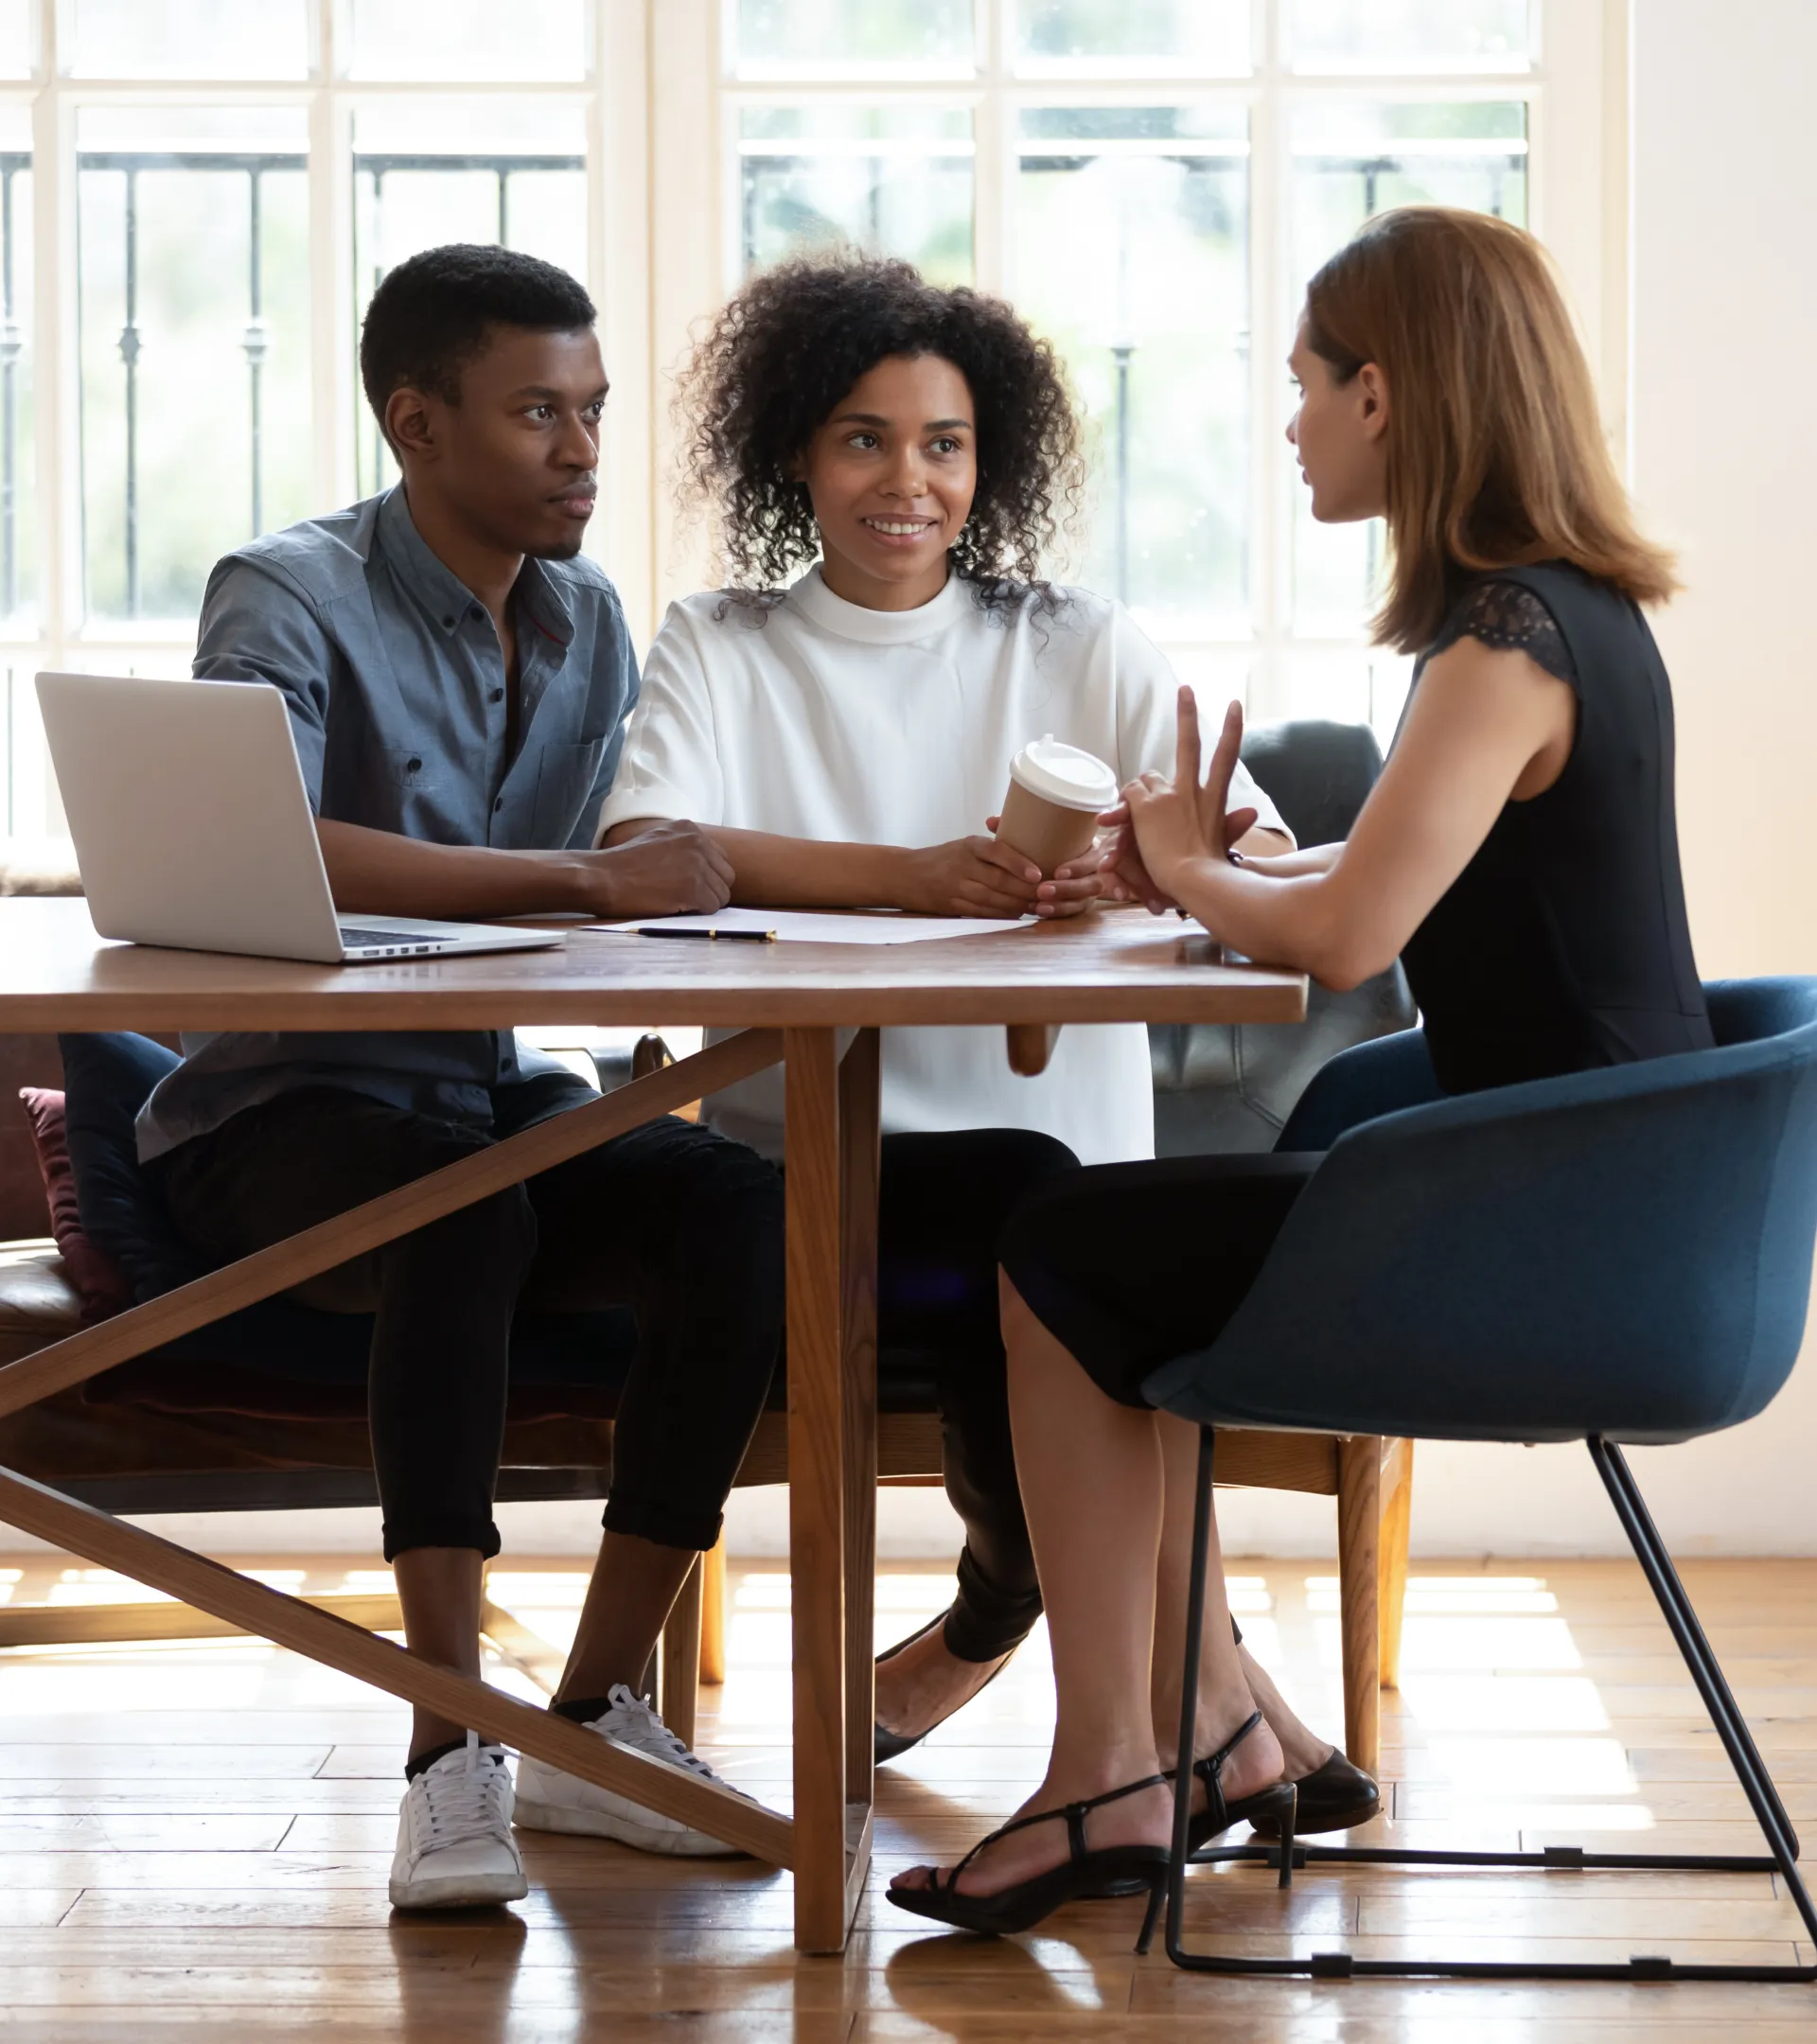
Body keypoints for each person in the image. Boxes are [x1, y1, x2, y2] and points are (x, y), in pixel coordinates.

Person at [888, 203, 1707, 1932]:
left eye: (1307, 386)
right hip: (1605, 1201)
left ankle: (1120, 1770)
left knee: (1055, 1253)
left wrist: (1194, 868)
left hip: (1560, 1231)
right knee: (1111, 1251)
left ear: (1385, 395)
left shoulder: (1504, 643)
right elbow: (1368, 877)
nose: (1291, 425)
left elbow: (1344, 940)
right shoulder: (1567, 617)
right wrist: (1189, 875)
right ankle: (1198, 1733)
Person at [596, 255, 1358, 1817]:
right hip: (814, 1173)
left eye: (944, 444)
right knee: (1046, 1259)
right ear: (795, 454)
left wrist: (1150, 870)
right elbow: (648, 852)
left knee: (1060, 1246)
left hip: (1065, 1169)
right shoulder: (722, 642)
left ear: (986, 461)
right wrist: (915, 878)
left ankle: (1142, 1689)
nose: (909, 482)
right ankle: (1221, 1705)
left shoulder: (1074, 638)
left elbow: (1264, 854)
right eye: (864, 440)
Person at [138, 244, 787, 1912]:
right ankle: (448, 1749)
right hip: (273, 1115)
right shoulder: (286, 592)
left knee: (741, 1208)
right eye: (537, 414)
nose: (583, 452)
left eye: (594, 412)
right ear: (415, 423)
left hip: (481, 1094)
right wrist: (580, 885)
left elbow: (640, 858)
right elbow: (270, 844)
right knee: (465, 1208)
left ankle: (591, 1721)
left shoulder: (590, 619)